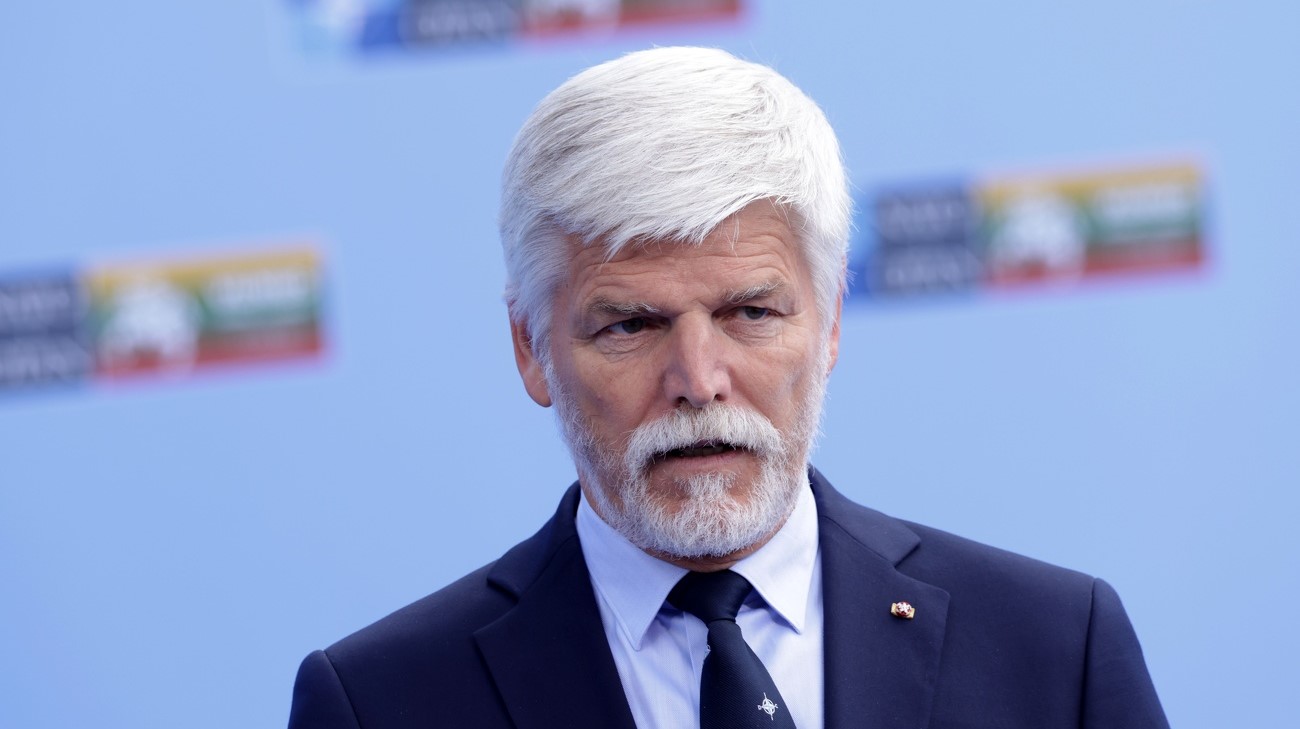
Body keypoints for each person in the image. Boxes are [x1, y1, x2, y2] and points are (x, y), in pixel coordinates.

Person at [288, 46, 1168, 729]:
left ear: (829, 323)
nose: (699, 381)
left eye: (749, 312)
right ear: (530, 346)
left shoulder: (1054, 648)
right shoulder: (380, 702)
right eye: (631, 325)